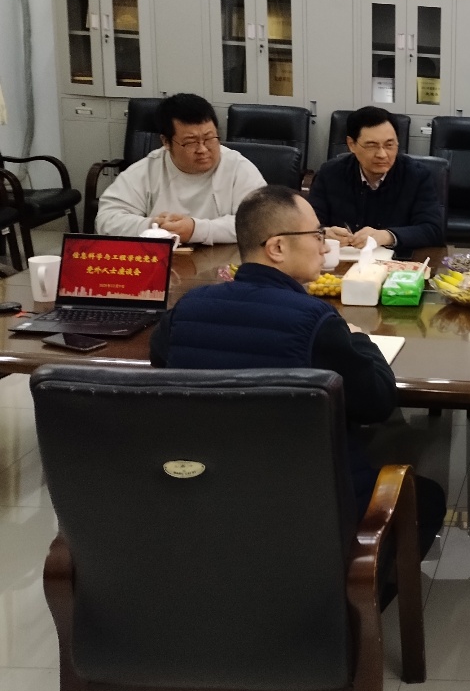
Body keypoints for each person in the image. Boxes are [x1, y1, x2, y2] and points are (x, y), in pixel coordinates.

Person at [150, 185, 446, 552]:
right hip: (309, 507)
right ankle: (356, 587)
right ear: (277, 247)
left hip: (204, 494)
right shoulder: (314, 321)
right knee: (428, 498)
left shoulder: (187, 309)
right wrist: (359, 338)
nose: (324, 247)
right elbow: (377, 401)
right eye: (317, 235)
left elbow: (163, 368)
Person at [96, 93, 266, 243]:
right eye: (190, 142)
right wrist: (152, 226)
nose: (203, 149)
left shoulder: (237, 167)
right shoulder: (148, 169)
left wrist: (196, 230)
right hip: (164, 262)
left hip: (223, 263)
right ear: (166, 142)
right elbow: (106, 220)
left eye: (209, 138)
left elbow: (260, 222)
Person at [308, 106, 443, 259]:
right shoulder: (330, 173)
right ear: (351, 144)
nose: (382, 154)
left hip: (396, 264)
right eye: (372, 146)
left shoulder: (417, 176)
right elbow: (308, 225)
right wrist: (324, 232)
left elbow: (433, 230)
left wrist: (387, 236)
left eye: (389, 145)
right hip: (342, 262)